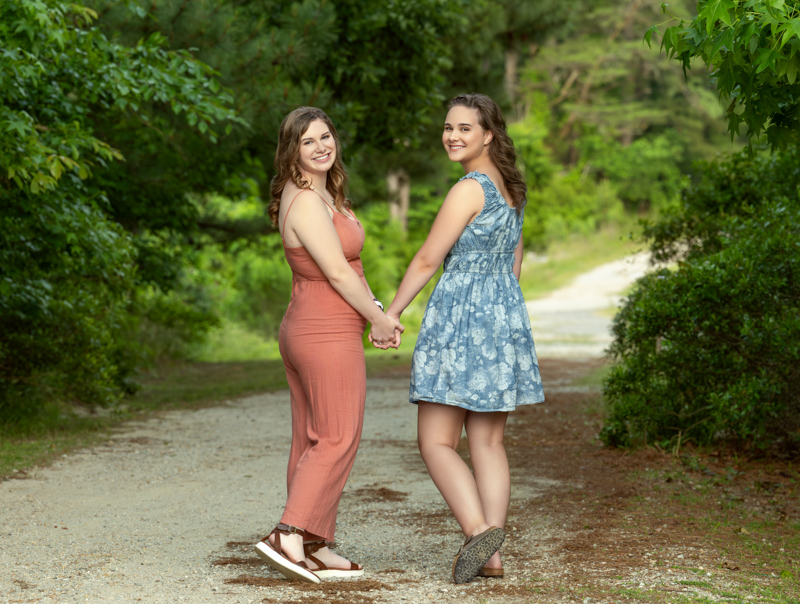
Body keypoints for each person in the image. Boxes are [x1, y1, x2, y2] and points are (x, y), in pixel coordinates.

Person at [379, 93, 545, 584]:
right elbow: (514, 266)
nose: (452, 135)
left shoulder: (469, 188)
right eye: (448, 127)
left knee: (436, 442)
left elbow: (429, 259)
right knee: (489, 443)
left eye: (464, 128)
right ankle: (491, 556)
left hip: (460, 321)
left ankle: (478, 534)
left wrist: (390, 313)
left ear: (488, 134)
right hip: (502, 317)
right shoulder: (512, 189)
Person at [256, 107, 403, 583]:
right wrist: (378, 318)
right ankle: (289, 532)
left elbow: (349, 271)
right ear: (291, 151)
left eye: (326, 136)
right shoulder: (304, 202)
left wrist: (374, 305)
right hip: (323, 331)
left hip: (320, 324)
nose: (321, 146)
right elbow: (338, 271)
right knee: (338, 435)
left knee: (313, 437)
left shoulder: (324, 193)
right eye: (308, 141)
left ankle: (315, 543)